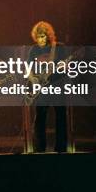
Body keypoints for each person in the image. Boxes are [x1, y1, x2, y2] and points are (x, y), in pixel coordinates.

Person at [29, 21, 68, 153]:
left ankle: (61, 148)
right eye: (38, 36)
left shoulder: (59, 47)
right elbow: (28, 70)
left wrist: (62, 66)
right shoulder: (34, 50)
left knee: (61, 117)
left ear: (48, 35)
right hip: (41, 87)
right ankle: (39, 148)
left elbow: (66, 67)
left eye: (43, 36)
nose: (40, 39)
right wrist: (34, 80)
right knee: (40, 117)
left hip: (57, 86)